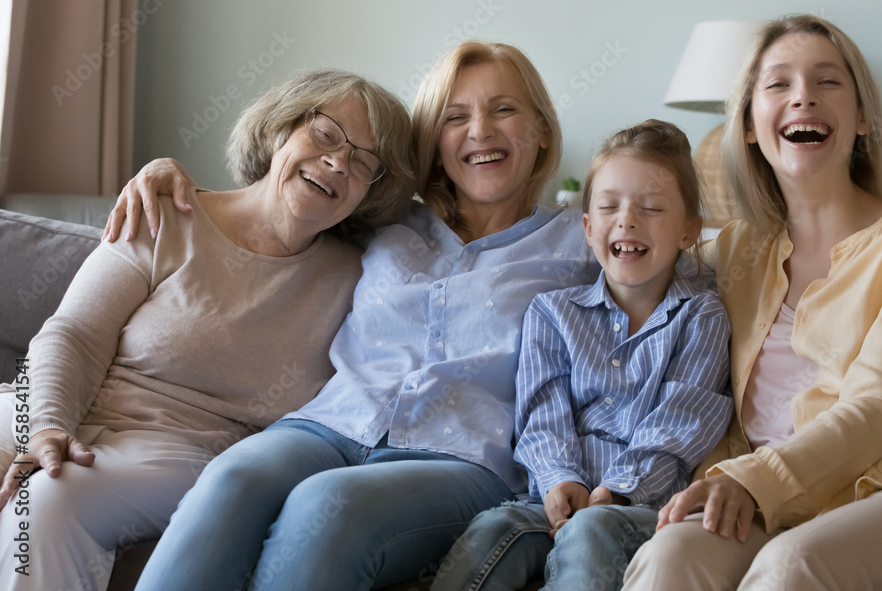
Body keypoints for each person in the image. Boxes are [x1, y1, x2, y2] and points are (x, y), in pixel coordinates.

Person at [106, 42, 602, 590]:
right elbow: (273, 206)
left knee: (331, 502)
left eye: (504, 110)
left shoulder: (582, 242)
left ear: (543, 130)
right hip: (332, 424)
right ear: (435, 144)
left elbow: (679, 269)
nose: (480, 131)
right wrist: (166, 172)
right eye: (455, 118)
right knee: (232, 475)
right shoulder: (383, 222)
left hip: (462, 458)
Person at [621, 15, 882, 590]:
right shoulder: (734, 251)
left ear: (863, 118)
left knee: (790, 567)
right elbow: (620, 256)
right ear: (748, 125)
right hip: (779, 507)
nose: (803, 97)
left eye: (827, 82)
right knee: (671, 553)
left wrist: (755, 481)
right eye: (778, 85)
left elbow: (881, 402)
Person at [0, 69, 416, 590]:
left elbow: (454, 224)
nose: (337, 162)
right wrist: (42, 426)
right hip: (49, 405)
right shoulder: (167, 213)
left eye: (365, 163)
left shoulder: (364, 279)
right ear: (280, 128)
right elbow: (74, 334)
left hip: (183, 453)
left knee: (49, 500)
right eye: (327, 134)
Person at [431, 119, 733, 591]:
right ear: (590, 229)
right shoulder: (553, 313)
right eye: (610, 207)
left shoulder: (701, 317)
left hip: (641, 509)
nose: (627, 220)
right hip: (552, 502)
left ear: (690, 231)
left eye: (651, 207)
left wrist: (616, 492)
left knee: (592, 532)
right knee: (490, 530)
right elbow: (541, 412)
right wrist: (558, 479)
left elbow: (679, 422)